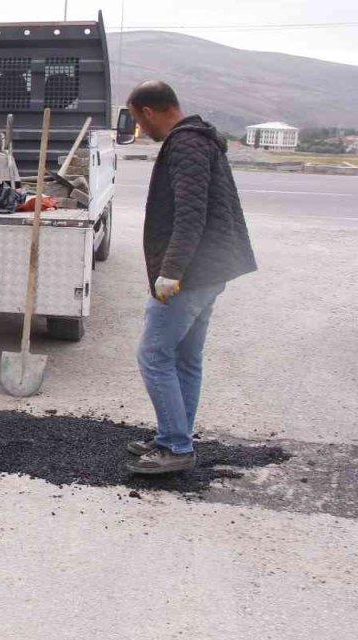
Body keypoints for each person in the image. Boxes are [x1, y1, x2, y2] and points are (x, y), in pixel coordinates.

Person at [125, 81, 257, 474]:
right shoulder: (201, 138)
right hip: (209, 269)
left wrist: (170, 272)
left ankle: (176, 447)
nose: (140, 128)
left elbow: (190, 215)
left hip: (191, 274)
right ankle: (173, 435)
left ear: (149, 112)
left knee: (153, 354)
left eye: (137, 120)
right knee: (185, 357)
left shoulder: (186, 144)